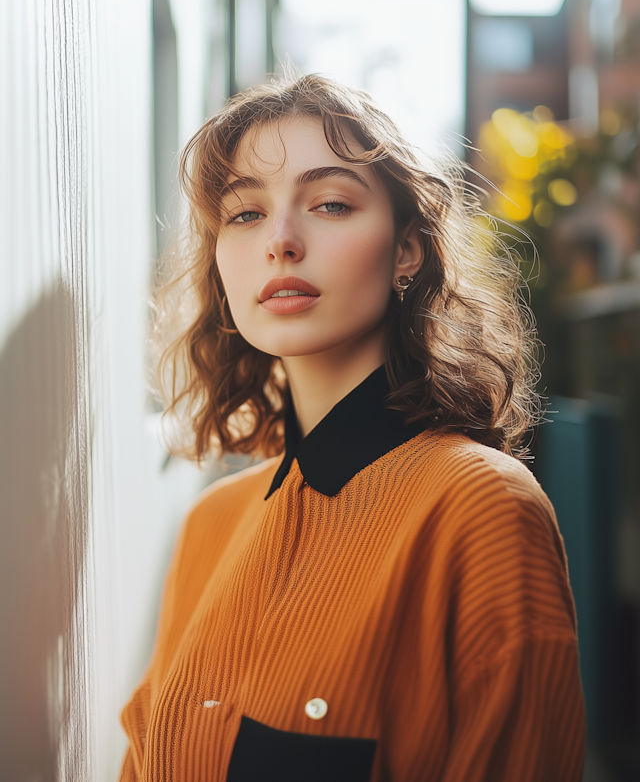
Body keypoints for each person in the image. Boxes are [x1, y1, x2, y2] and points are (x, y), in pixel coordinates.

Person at [119, 75, 585, 782]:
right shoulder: (208, 525)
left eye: (331, 203)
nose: (280, 241)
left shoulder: (483, 511)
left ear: (406, 250)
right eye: (244, 214)